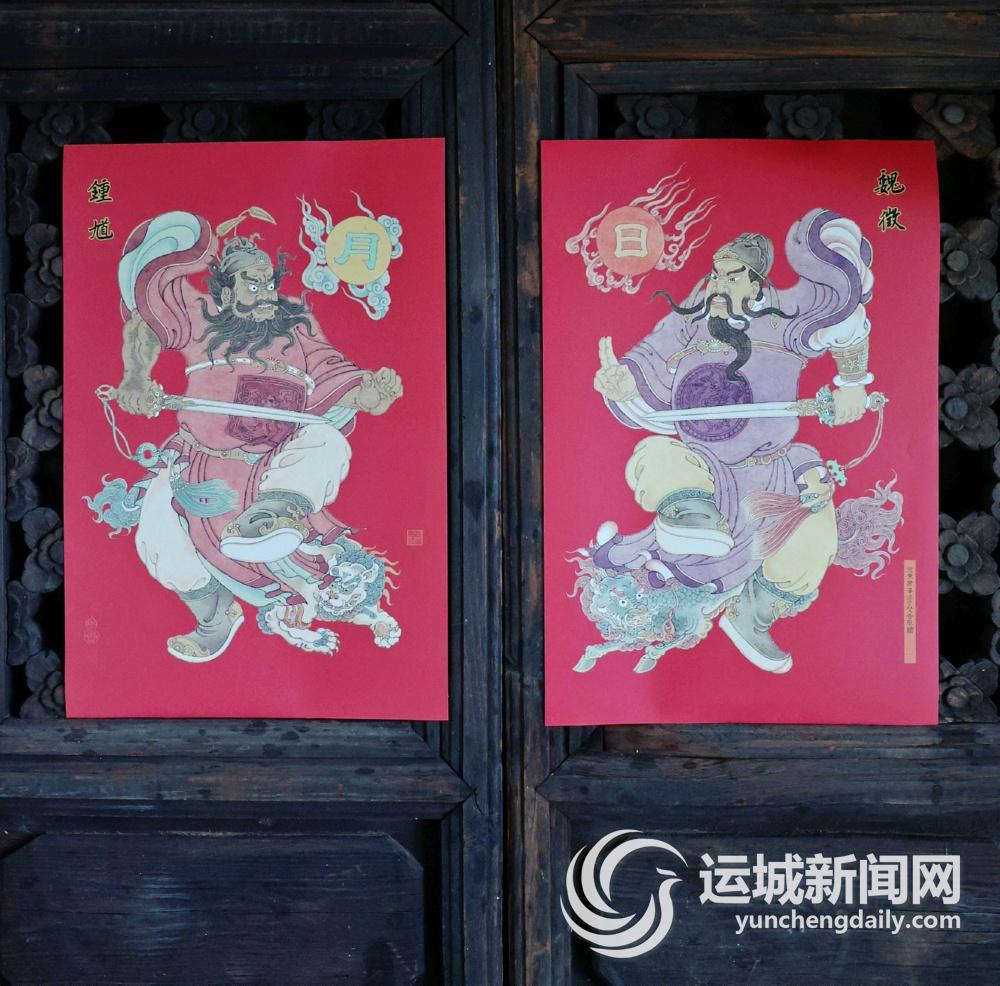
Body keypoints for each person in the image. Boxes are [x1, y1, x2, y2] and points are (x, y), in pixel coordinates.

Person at [590, 208, 874, 673]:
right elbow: (647, 360)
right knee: (654, 456)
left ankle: (752, 613)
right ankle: (693, 516)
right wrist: (622, 383)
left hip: (770, 471)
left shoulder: (786, 322)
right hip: (701, 468)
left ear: (758, 284)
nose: (719, 286)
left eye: (734, 276)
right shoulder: (688, 321)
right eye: (716, 275)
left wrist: (853, 384)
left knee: (816, 530)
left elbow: (844, 323)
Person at [112, 209, 402, 662]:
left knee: (326, 440)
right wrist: (135, 379)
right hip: (200, 463)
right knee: (158, 536)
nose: (266, 292)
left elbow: (337, 377)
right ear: (226, 291)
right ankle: (215, 618)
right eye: (252, 283)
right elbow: (146, 326)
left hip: (274, 466)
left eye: (269, 283)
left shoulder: (297, 326)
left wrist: (373, 393)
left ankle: (271, 518)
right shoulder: (200, 316)